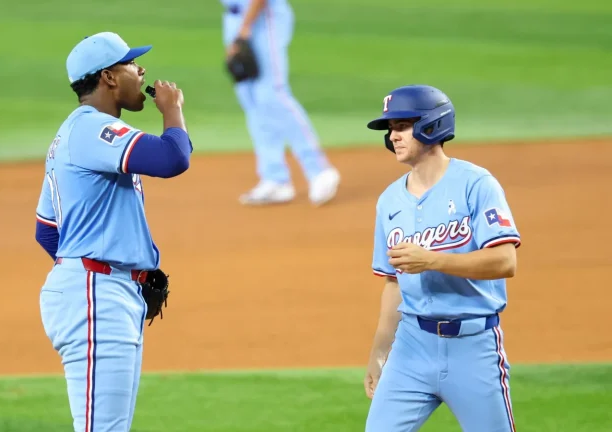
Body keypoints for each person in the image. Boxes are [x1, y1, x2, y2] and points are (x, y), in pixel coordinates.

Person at [33, 32, 192, 432]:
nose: (141, 71)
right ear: (107, 77)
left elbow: (47, 231)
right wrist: (172, 111)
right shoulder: (91, 129)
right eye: (131, 64)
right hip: (95, 296)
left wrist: (114, 269)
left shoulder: (77, 134)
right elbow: (173, 157)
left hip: (101, 291)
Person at [363, 85, 521, 431]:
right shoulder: (389, 201)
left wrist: (433, 260)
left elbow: (505, 261)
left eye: (402, 126)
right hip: (411, 347)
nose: (394, 137)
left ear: (431, 126)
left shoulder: (476, 184)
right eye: (391, 130)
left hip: (474, 348)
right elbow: (393, 282)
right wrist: (379, 352)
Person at [221, 0, 341, 206]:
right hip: (234, 18)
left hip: (262, 17)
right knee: (251, 99)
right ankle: (275, 178)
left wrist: (245, 27)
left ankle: (319, 169)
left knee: (272, 94)